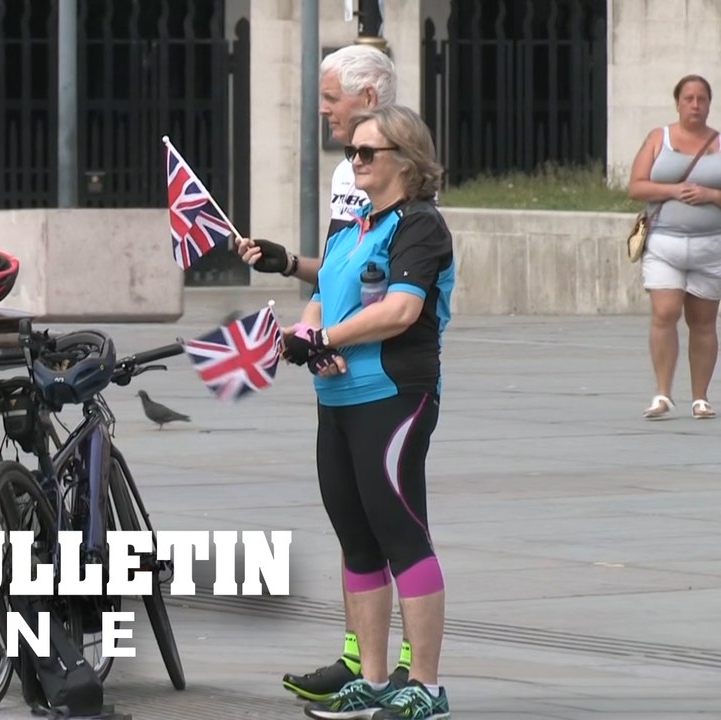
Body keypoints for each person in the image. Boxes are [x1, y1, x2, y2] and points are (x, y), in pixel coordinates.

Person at [235, 44, 415, 701]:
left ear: (370, 99)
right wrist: (289, 268)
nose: (322, 109)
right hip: (335, 366)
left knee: (393, 526)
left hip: (381, 376)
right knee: (351, 523)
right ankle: (356, 658)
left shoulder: (396, 167)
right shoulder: (350, 170)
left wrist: (331, 332)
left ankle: (408, 667)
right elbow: (342, 262)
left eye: (331, 96)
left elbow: (390, 279)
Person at [282, 104, 454, 720]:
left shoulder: (420, 226)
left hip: (394, 396)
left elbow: (401, 310)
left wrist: (330, 338)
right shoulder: (348, 227)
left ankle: (426, 687)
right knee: (357, 541)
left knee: (400, 532)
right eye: (350, 152)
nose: (353, 162)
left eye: (365, 153)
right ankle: (374, 683)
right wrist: (306, 336)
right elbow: (324, 298)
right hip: (338, 402)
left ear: (405, 161)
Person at [628, 74, 721, 420]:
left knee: (703, 322)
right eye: (688, 99)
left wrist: (712, 195)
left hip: (711, 245)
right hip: (665, 242)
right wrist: (671, 190)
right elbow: (636, 187)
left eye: (701, 99)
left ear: (709, 104)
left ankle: (701, 397)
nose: (695, 105)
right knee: (665, 313)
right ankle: (663, 393)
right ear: (677, 103)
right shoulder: (658, 139)